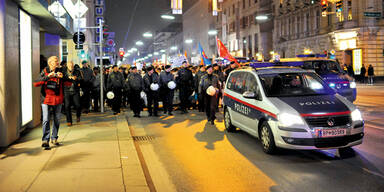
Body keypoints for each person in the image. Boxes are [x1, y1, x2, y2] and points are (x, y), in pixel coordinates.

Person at [33, 56, 64, 148]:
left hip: (58, 99)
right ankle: (45, 140)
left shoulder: (61, 71)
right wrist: (47, 77)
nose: (57, 62)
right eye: (55, 61)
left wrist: (63, 77)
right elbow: (36, 83)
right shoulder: (45, 71)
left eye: (57, 61)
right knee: (46, 119)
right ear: (50, 63)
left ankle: (54, 137)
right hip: (46, 99)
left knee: (57, 119)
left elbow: (68, 83)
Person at [63, 61, 82, 126]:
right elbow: (62, 79)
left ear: (73, 66)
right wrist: (68, 78)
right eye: (69, 66)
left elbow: (81, 79)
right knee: (67, 106)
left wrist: (76, 78)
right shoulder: (64, 71)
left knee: (78, 105)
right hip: (66, 90)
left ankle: (78, 115)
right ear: (67, 66)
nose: (71, 67)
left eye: (72, 66)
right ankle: (69, 121)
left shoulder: (77, 71)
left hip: (75, 90)